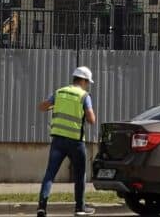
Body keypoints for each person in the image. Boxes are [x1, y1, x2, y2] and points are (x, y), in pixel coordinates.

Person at [37, 66, 97, 217]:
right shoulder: (84, 96)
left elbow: (42, 107)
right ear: (82, 80)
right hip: (76, 141)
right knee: (80, 174)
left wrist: (55, 106)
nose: (88, 84)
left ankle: (42, 207)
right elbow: (92, 120)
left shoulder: (59, 92)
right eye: (87, 82)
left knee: (50, 174)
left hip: (58, 140)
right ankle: (80, 208)